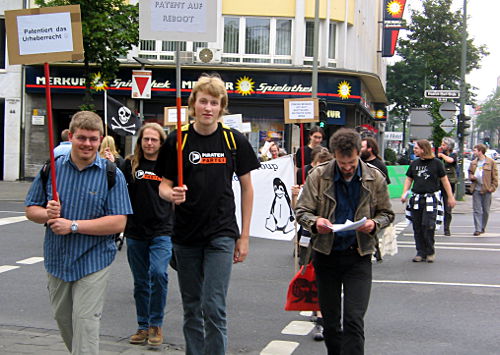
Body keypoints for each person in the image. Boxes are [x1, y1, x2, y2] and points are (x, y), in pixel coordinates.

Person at [156, 74, 260, 355]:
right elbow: (163, 186)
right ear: (193, 104)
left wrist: (245, 236)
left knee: (213, 306)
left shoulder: (233, 139)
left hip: (222, 233)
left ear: (221, 107)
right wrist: (171, 194)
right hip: (186, 235)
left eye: (214, 103)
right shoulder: (177, 139)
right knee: (191, 306)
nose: (208, 108)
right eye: (203, 101)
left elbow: (248, 189)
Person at [24, 111, 132, 355]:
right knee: (64, 320)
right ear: (71, 136)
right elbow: (31, 210)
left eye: (93, 139)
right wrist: (47, 215)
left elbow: (119, 222)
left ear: (101, 139)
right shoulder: (51, 169)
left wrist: (73, 225)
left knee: (85, 322)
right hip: (57, 259)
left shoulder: (112, 174)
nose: (87, 144)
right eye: (82, 138)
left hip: (94, 258)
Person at [295, 128, 394, 355]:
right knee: (330, 323)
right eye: (341, 163)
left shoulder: (374, 176)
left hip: (358, 256)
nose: (347, 167)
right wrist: (316, 221)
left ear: (359, 152)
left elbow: (387, 213)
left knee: (353, 320)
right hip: (326, 255)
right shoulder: (318, 175)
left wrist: (374, 224)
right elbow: (301, 211)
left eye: (351, 162)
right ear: (334, 155)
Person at [123, 123, 173, 346]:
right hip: (135, 231)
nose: (150, 143)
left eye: (154, 139)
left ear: (161, 143)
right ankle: (143, 326)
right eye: (146, 139)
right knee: (141, 282)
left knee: (158, 274)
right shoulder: (129, 164)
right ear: (140, 141)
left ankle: (156, 324)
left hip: (162, 230)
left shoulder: (169, 167)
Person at [401, 139, 456, 263]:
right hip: (416, 198)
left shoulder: (436, 163)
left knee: (428, 226)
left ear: (423, 149)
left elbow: (445, 180)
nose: (414, 150)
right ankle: (420, 252)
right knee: (417, 226)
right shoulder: (414, 163)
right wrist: (405, 193)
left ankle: (430, 251)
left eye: (416, 148)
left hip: (431, 198)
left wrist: (450, 197)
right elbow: (409, 179)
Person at [468, 144, 498, 236]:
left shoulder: (491, 162)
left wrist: (492, 188)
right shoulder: (473, 163)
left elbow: (495, 177)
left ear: (480, 151)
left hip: (487, 189)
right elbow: (470, 173)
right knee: (477, 210)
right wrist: (471, 177)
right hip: (476, 188)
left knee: (485, 210)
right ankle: (477, 229)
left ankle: (482, 227)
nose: (474, 152)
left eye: (475, 150)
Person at [437, 137, 458, 236]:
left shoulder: (453, 155)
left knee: (447, 208)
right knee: (434, 205)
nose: (442, 146)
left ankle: (446, 229)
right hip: (438, 183)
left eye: (444, 145)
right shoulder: (440, 155)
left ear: (449, 146)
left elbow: (450, 160)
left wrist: (441, 155)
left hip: (450, 183)